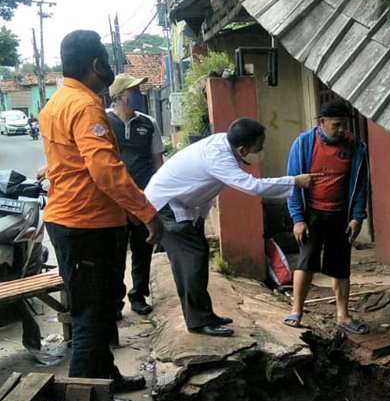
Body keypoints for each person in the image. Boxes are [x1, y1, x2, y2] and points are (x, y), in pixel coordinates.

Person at [38, 30, 162, 391]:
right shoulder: (85, 105)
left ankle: (108, 379)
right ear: (96, 64)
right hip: (85, 224)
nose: (109, 67)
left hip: (76, 221)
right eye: (106, 61)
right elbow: (105, 169)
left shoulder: (56, 103)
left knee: (104, 307)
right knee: (91, 317)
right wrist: (146, 212)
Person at [145, 117, 316, 336]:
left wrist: (198, 220)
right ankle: (198, 321)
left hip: (179, 205)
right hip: (164, 207)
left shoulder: (224, 146)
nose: (261, 150)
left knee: (195, 256)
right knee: (192, 258)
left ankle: (203, 314)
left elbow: (206, 188)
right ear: (242, 149)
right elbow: (253, 187)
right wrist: (294, 181)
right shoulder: (219, 157)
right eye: (259, 146)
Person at [285, 98, 371, 333]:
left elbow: (361, 184)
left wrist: (357, 217)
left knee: (341, 265)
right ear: (322, 122)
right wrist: (298, 219)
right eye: (336, 125)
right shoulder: (303, 144)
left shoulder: (355, 146)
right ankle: (296, 311)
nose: (342, 129)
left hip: (340, 214)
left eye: (344, 124)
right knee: (306, 261)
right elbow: (293, 183)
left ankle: (343, 316)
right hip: (312, 213)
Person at [106, 75, 164, 318]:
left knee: (143, 249)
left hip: (143, 198)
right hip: (114, 201)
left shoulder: (149, 123)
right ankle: (114, 301)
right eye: (134, 90)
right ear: (119, 95)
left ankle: (138, 295)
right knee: (114, 254)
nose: (139, 93)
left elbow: (158, 162)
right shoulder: (104, 122)